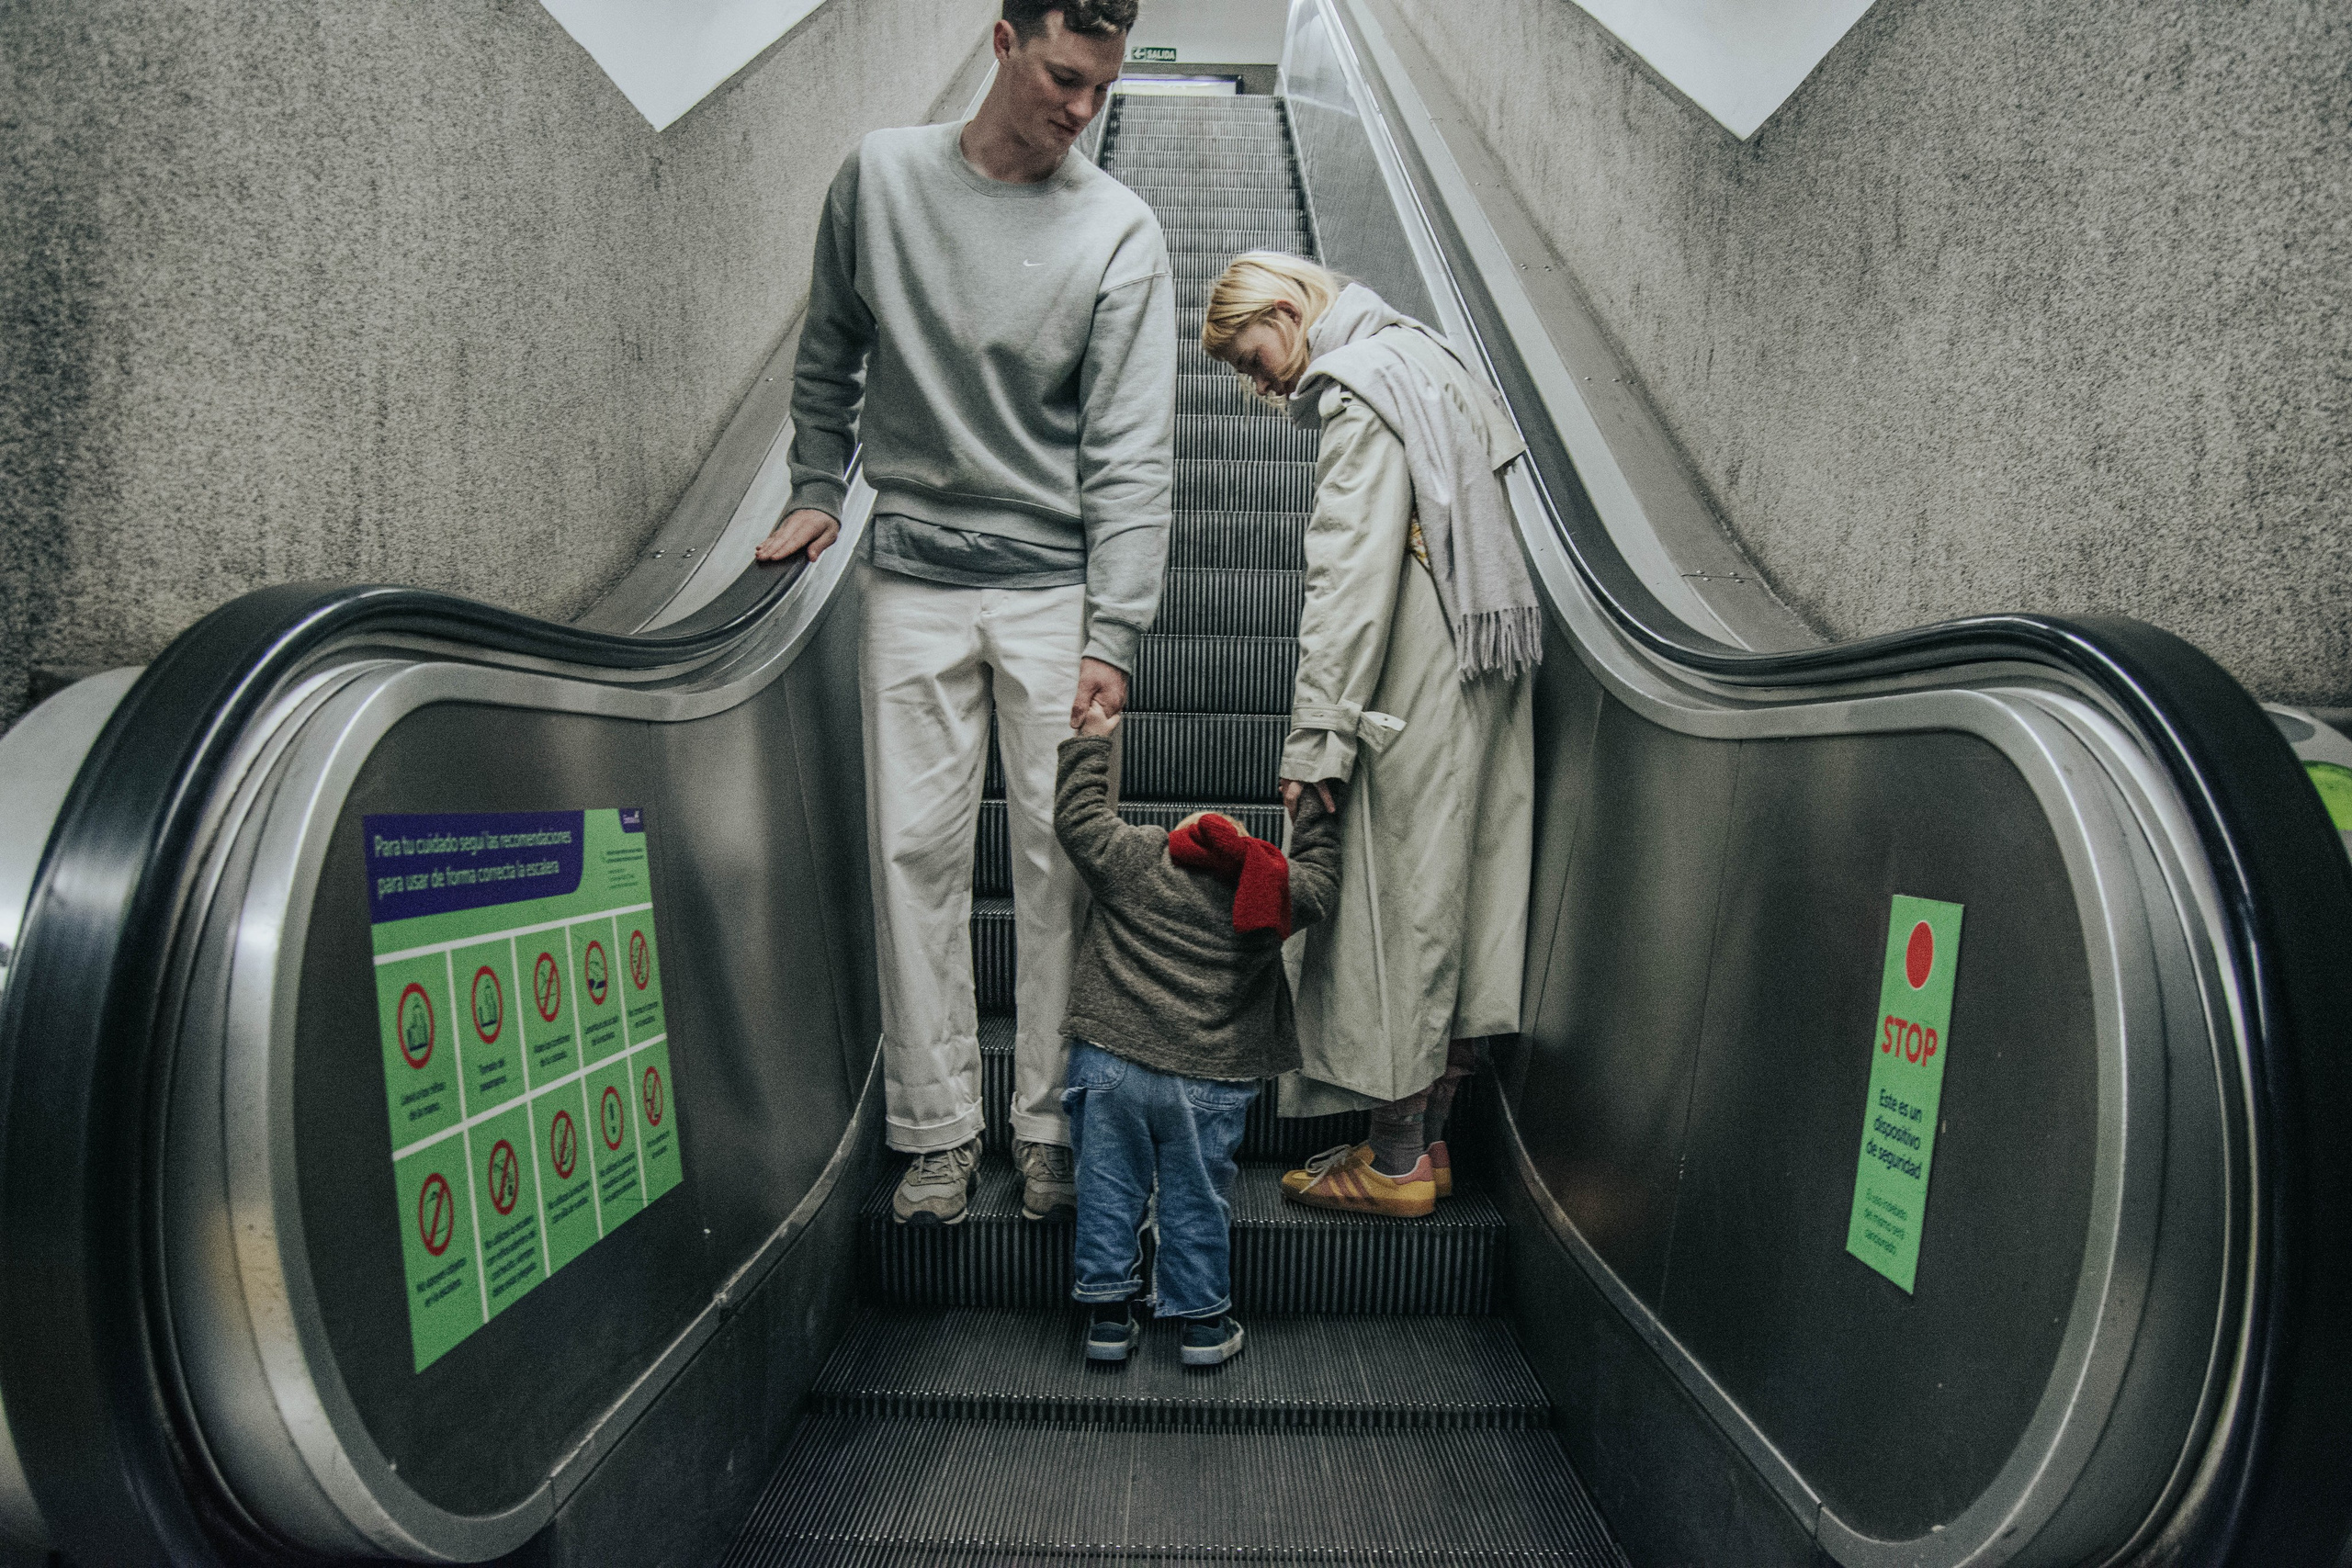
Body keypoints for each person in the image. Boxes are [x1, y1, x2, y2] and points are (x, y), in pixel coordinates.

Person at [755, 0, 1173, 1226]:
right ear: (1003, 41)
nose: (1080, 110)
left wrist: (1118, 632)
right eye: (1061, 77)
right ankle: (937, 1134)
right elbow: (828, 347)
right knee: (913, 858)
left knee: (1062, 871)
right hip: (915, 579)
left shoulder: (1119, 229)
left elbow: (1134, 452)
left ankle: (1049, 1129)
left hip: (1058, 590)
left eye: (1102, 87)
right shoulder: (881, 179)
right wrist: (816, 486)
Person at [1199, 253, 1538, 1220]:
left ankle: (1390, 1166)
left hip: (1408, 686)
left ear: (1281, 305)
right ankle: (1417, 1146)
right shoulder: (1427, 356)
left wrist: (1315, 742)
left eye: (1249, 353)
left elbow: (1345, 583)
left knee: (1392, 909)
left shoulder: (1359, 387)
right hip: (1482, 667)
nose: (1253, 381)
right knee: (1448, 904)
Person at [1051, 702, 1343, 1364]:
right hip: (1210, 1077)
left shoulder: (1137, 857)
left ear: (1178, 836)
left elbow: (1079, 819)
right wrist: (1309, 811)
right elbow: (1323, 881)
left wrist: (1092, 744)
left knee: (1107, 1187)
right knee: (1195, 1197)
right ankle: (1204, 1326)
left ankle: (1106, 1319)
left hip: (1112, 1062)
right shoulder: (1270, 891)